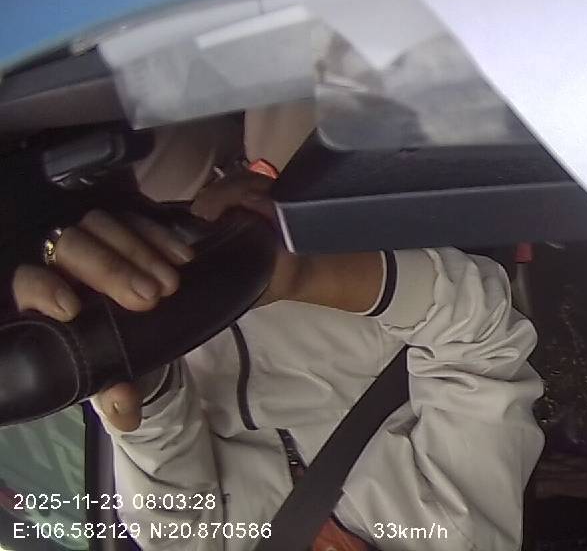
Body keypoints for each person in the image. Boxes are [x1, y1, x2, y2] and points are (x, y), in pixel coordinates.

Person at [9, 152, 544, 549]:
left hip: (164, 234)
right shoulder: (455, 537)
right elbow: (478, 334)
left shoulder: (180, 541)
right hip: (327, 211)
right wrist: (300, 271)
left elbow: (155, 413)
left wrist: (129, 357)